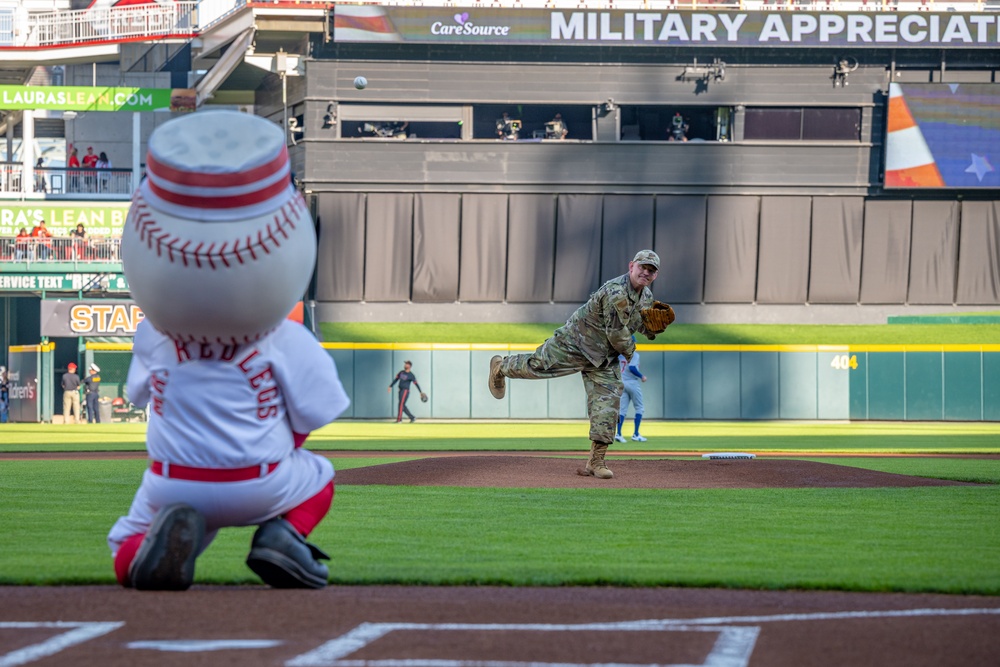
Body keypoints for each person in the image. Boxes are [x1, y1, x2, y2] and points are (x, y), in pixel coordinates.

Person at [107, 109, 350, 592]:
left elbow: (138, 395)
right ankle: (281, 536)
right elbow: (314, 415)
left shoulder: (154, 336)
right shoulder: (285, 337)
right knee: (320, 474)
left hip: (172, 481)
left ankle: (145, 557)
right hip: (260, 481)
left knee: (127, 544)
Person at [488, 250, 663, 479]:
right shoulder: (615, 291)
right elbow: (617, 334)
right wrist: (631, 352)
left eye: (651, 270)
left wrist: (653, 330)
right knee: (536, 366)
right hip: (575, 342)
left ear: (655, 275)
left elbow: (638, 324)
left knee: (609, 404)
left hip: (603, 358)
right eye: (643, 267)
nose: (646, 272)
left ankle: (596, 461)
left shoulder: (647, 298)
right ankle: (500, 367)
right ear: (631, 266)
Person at [615, 341, 647, 443]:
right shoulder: (634, 355)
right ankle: (636, 434)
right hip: (632, 383)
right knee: (639, 408)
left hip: (622, 382)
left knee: (622, 410)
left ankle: (619, 434)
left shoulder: (620, 356)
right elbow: (632, 368)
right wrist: (641, 376)